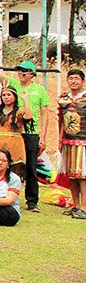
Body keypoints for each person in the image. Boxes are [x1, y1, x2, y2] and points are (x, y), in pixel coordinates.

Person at [0, 43, 50, 212]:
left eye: (24, 71)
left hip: (31, 132)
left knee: (30, 167)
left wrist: (43, 136)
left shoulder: (39, 90)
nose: (21, 73)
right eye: (19, 70)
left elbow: (45, 113)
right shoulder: (12, 84)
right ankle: (4, 194)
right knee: (6, 163)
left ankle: (32, 201)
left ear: (32, 74)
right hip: (12, 132)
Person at [58, 69, 86, 219]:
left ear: (82, 81)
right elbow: (61, 121)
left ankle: (84, 207)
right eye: (71, 78)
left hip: (83, 142)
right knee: (72, 175)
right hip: (68, 141)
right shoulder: (63, 98)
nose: (73, 81)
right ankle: (76, 206)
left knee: (83, 175)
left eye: (77, 79)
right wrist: (60, 139)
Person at [0, 87, 32, 175]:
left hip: (14, 144)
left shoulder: (19, 110)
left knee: (13, 171)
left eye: (9, 95)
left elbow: (28, 116)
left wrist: (26, 100)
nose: (6, 97)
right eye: (4, 95)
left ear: (14, 97)